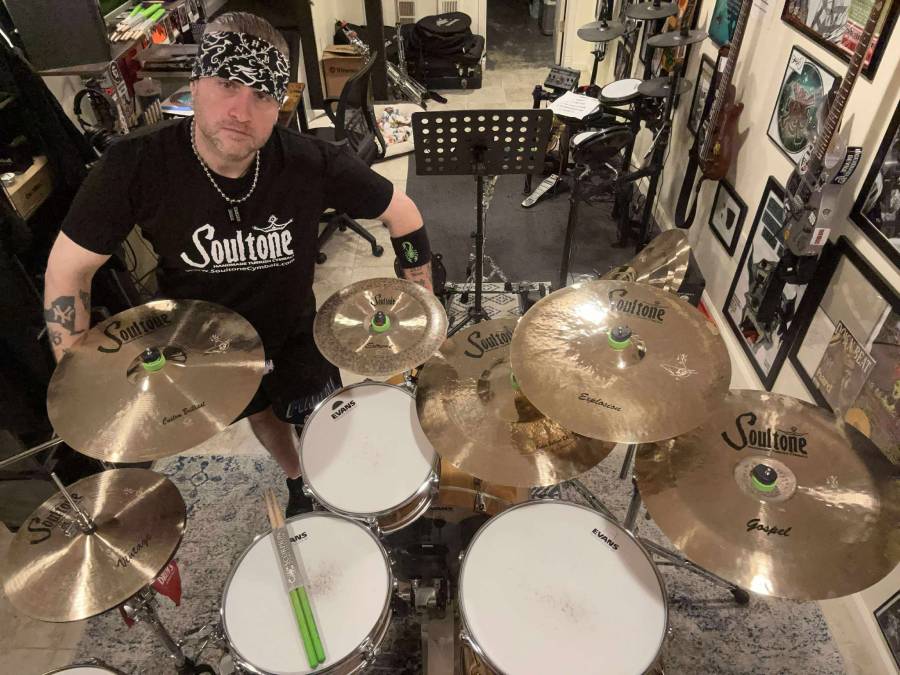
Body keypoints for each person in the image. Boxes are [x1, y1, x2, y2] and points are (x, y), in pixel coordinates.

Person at [42, 12, 434, 516]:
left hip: (296, 329)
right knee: (262, 415)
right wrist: (81, 391)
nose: (240, 111)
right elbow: (67, 271)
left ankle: (326, 477)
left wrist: (420, 312)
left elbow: (405, 216)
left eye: (261, 94)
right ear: (195, 84)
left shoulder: (311, 161)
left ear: (280, 104)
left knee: (324, 417)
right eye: (227, 83)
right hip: (206, 348)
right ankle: (296, 477)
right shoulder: (134, 165)